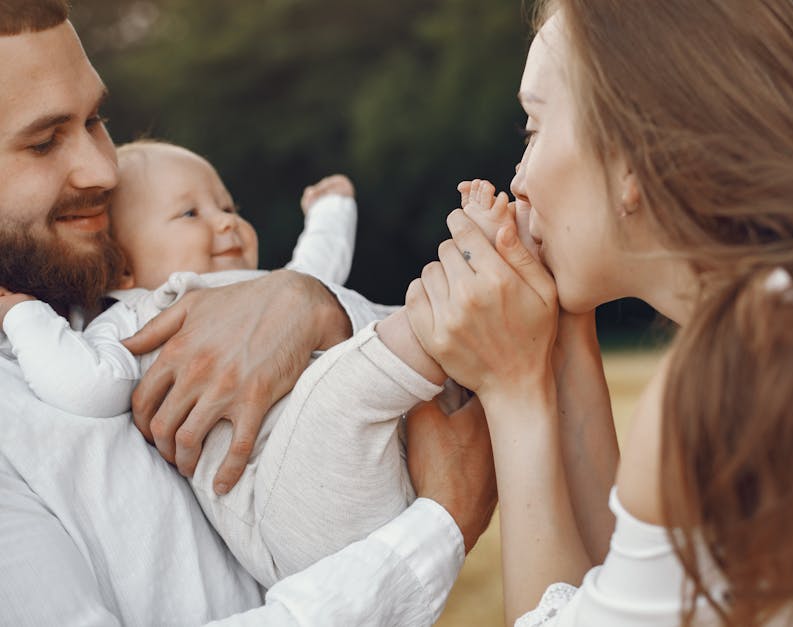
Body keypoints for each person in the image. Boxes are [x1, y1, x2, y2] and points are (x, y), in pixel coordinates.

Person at [401, 0, 793, 625]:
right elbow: (635, 589)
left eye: (533, 128)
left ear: (633, 152)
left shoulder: (742, 376)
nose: (517, 179)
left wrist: (514, 390)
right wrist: (559, 336)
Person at [0, 3, 496, 624]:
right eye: (44, 140)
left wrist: (309, 305)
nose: (105, 169)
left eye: (96, 119)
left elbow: (319, 284)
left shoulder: (91, 289)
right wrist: (437, 525)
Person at [0, 139, 459, 587]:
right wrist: (22, 314)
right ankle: (456, 306)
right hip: (290, 514)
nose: (226, 223)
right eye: (190, 213)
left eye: (229, 207)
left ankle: (467, 346)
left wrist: (331, 210)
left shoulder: (271, 291)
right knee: (380, 353)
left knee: (412, 373)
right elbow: (86, 385)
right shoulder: (138, 316)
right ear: (122, 269)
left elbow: (317, 268)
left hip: (383, 475)